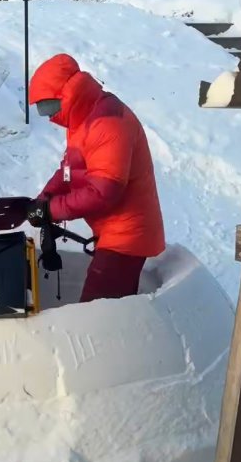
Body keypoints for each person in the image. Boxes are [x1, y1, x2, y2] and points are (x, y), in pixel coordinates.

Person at [26, 53, 165, 303]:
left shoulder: (107, 123)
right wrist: (44, 199)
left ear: (64, 97)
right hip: (114, 232)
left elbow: (104, 191)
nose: (48, 117)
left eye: (47, 107)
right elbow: (68, 172)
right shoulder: (83, 119)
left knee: (97, 314)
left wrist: (51, 210)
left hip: (128, 235)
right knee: (105, 311)